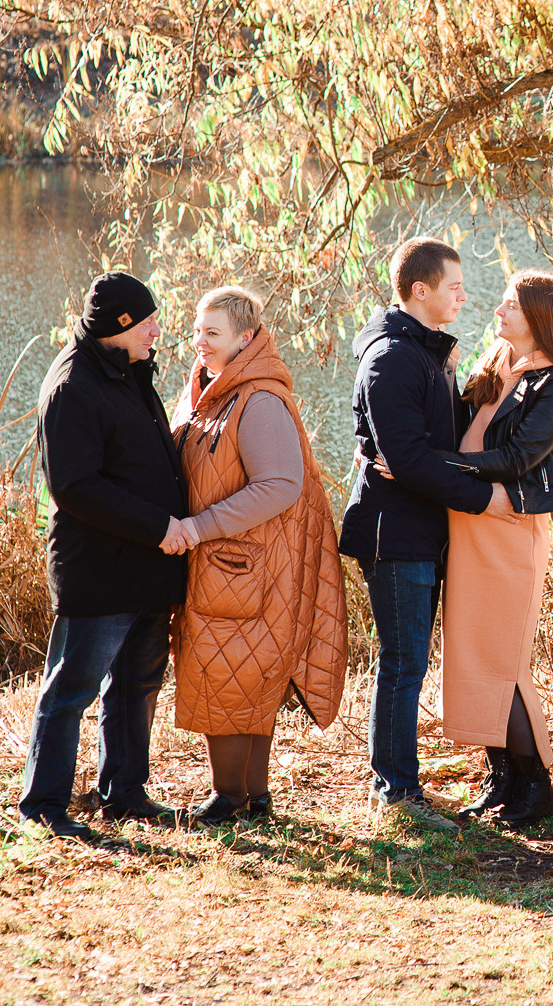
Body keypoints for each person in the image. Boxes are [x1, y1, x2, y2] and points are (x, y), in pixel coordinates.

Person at [168, 286, 348, 825]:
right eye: (197, 330)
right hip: (222, 564)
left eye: (212, 333)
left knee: (231, 677)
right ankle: (249, 798)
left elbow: (280, 486)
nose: (199, 341)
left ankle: (232, 798)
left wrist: (200, 528)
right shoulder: (210, 390)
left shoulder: (259, 400)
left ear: (246, 338)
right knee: (235, 675)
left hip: (247, 567)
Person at [438, 271, 553, 829]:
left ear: (541, 316)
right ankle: (502, 779)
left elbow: (520, 457)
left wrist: (439, 467)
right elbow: (458, 426)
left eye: (512, 305)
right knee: (473, 653)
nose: (499, 311)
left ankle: (536, 787)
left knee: (504, 659)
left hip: (510, 525)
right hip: (468, 521)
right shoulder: (494, 365)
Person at [20, 271, 188, 841]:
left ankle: (125, 794)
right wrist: (158, 524)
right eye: (146, 323)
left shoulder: (128, 369)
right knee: (72, 688)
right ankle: (43, 806)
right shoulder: (74, 386)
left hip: (147, 564)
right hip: (100, 569)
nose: (156, 332)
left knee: (137, 684)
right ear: (118, 326)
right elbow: (75, 486)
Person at [338, 238, 495, 829]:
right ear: (420, 290)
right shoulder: (392, 358)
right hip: (393, 532)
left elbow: (433, 444)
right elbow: (405, 456)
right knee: (403, 662)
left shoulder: (427, 354)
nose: (463, 294)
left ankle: (397, 782)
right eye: (454, 286)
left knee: (408, 662)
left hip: (419, 528)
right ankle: (397, 792)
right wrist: (482, 496)